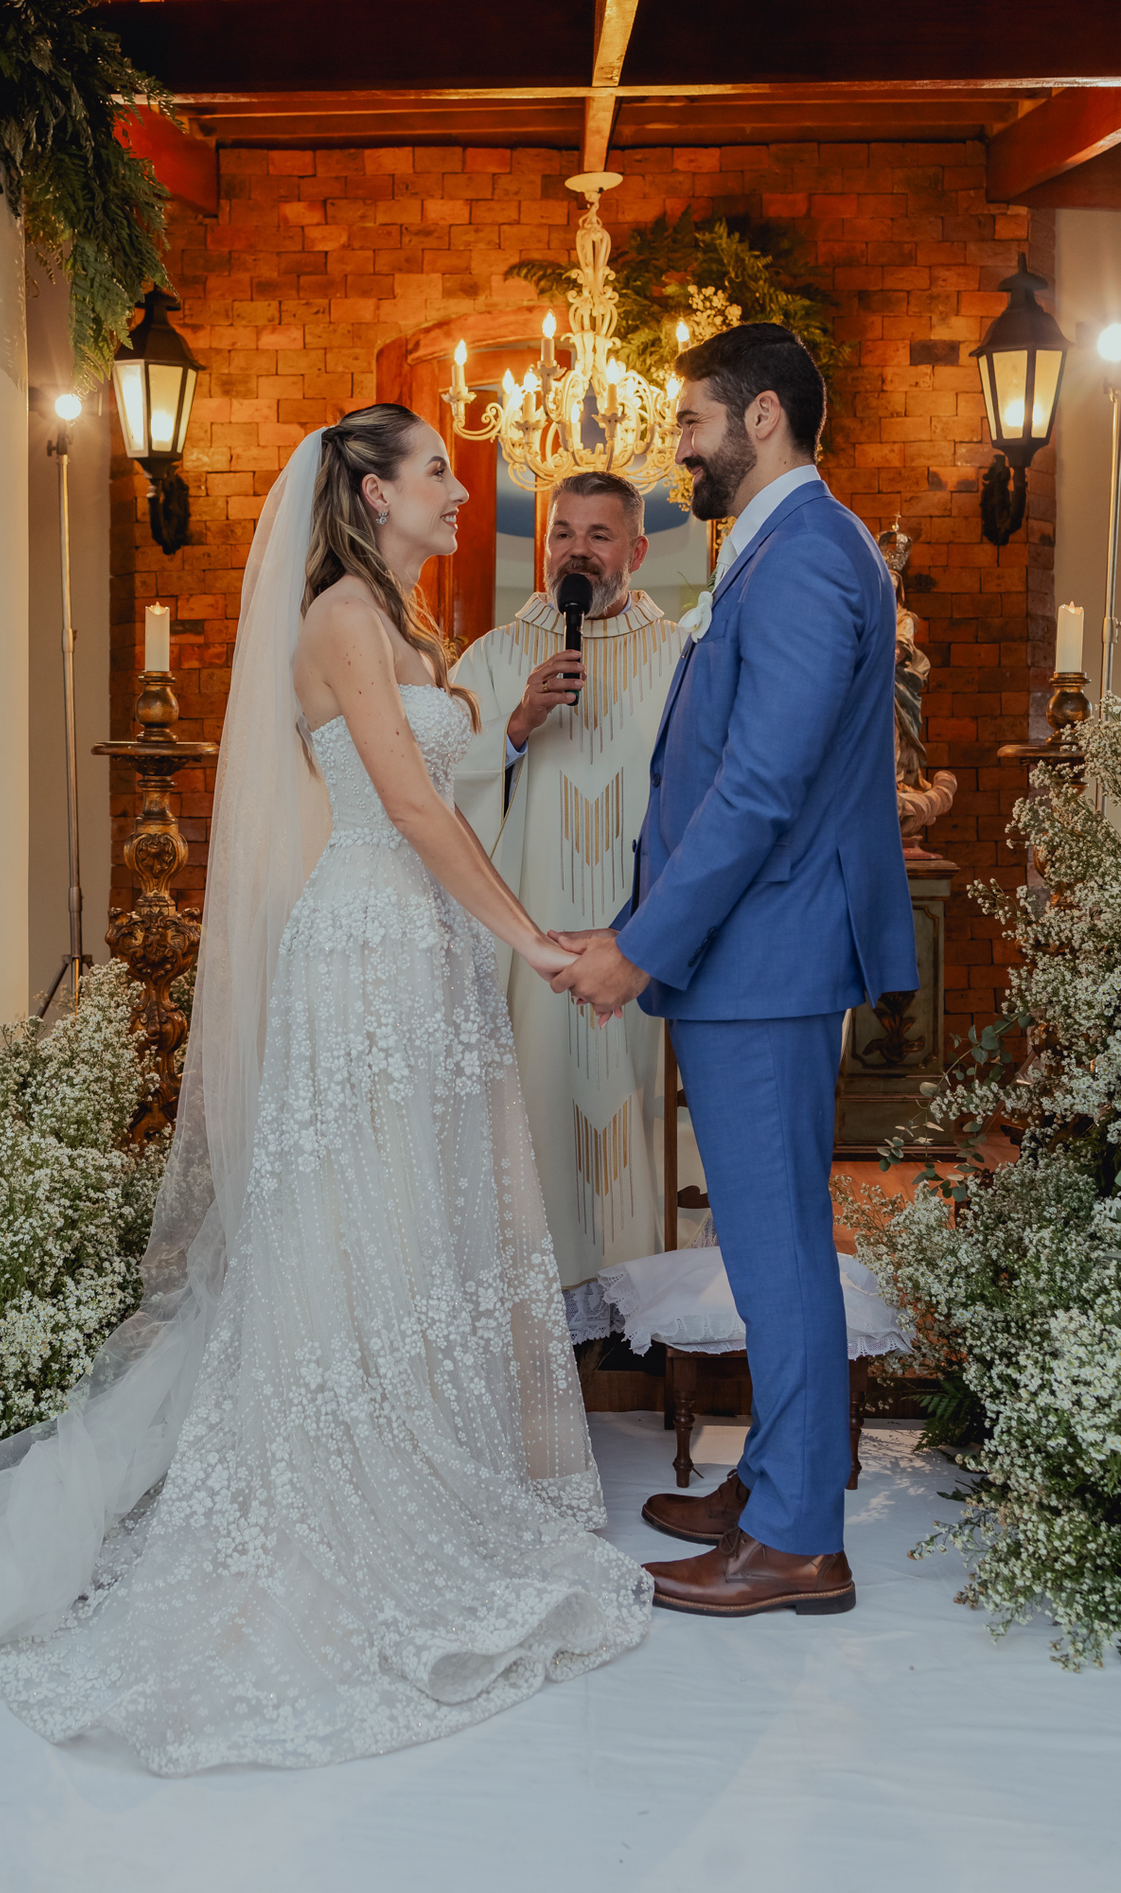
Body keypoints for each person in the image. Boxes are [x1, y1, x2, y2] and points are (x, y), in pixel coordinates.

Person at [0, 407, 651, 1772]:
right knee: (354, 1222)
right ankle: (342, 1501)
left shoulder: (407, 625)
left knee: (416, 1221)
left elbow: (447, 778)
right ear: (371, 493)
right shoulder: (337, 619)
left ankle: (423, 1462)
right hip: (368, 946)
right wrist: (538, 942)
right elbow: (412, 810)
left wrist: (495, 819)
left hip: (423, 953)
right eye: (436, 472)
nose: (460, 491)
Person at [554, 325, 918, 1618]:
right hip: (751, 951)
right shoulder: (776, 545)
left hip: (766, 955)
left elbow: (761, 789)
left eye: (692, 421)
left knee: (777, 1251)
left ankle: (799, 1539)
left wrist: (641, 945)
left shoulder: (808, 554)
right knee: (768, 1243)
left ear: (762, 416)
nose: (681, 448)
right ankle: (772, 1481)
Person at [453, 473, 694, 1299]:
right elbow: (431, 792)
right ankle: (536, 1311)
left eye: (599, 535)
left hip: (642, 939)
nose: (577, 552)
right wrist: (516, 726)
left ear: (638, 550)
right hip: (532, 937)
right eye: (563, 533)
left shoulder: (683, 658)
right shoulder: (493, 656)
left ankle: (641, 1314)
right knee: (535, 1109)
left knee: (636, 1112)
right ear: (543, 545)